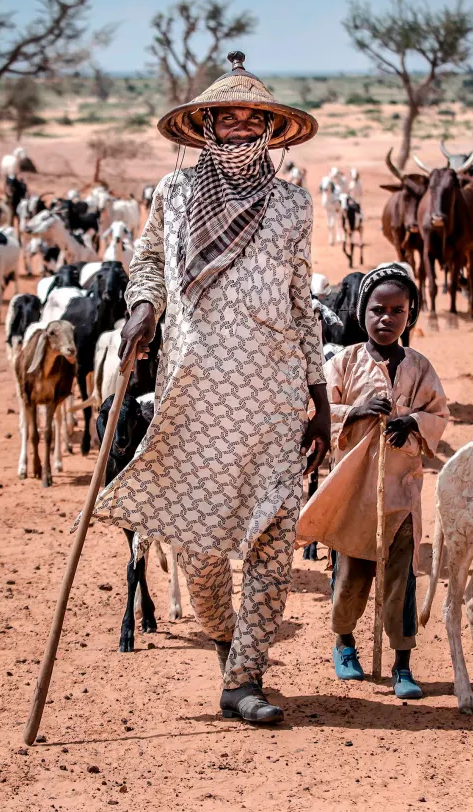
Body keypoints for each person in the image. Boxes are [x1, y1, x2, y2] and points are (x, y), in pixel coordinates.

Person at [97, 52, 330, 725]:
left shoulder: (290, 205)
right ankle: (229, 644)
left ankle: (245, 679)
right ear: (204, 124)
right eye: (225, 116)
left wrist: (319, 403)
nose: (238, 125)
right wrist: (142, 309)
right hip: (193, 398)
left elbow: (300, 305)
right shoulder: (171, 196)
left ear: (268, 128)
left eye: (251, 116)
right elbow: (146, 266)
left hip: (275, 399)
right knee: (197, 550)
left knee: (271, 542)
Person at [296, 264, 448, 699]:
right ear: (363, 311)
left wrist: (412, 422)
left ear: (409, 314)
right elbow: (317, 415)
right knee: (350, 577)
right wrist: (358, 410)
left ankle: (402, 663)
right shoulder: (343, 363)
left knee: (402, 579)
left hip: (401, 492)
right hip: (354, 491)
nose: (387, 318)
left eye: (397, 310)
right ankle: (344, 642)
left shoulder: (419, 367)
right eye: (378, 309)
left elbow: (439, 416)